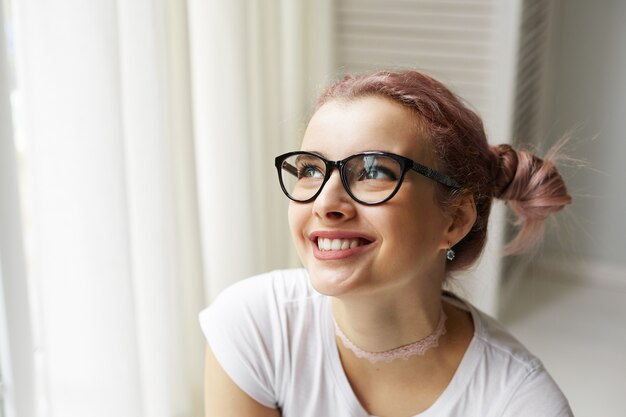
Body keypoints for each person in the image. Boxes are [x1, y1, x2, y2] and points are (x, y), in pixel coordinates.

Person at [199, 70, 573, 417]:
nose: (325, 203)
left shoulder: (520, 403)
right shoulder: (256, 326)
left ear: (455, 219)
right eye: (311, 169)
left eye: (374, 171)